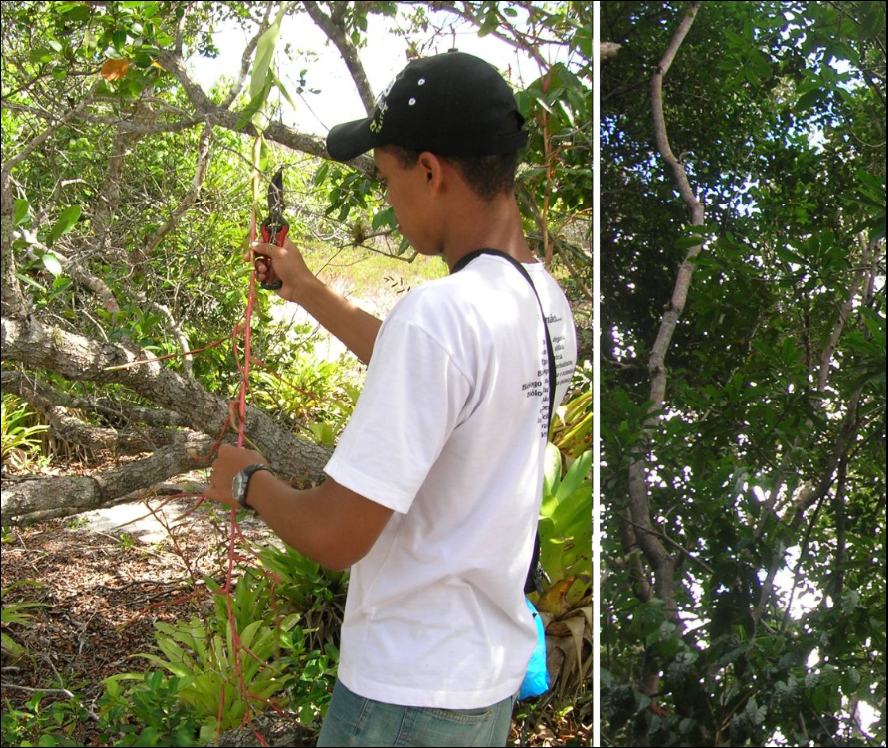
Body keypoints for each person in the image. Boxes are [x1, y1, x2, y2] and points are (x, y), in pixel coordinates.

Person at [204, 50, 578, 747]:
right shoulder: (541, 300)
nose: (386, 196)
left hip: (403, 700)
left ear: (431, 171)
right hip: (479, 689)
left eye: (385, 177)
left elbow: (336, 534)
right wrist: (308, 289)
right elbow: (445, 376)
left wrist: (247, 481)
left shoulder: (439, 316)